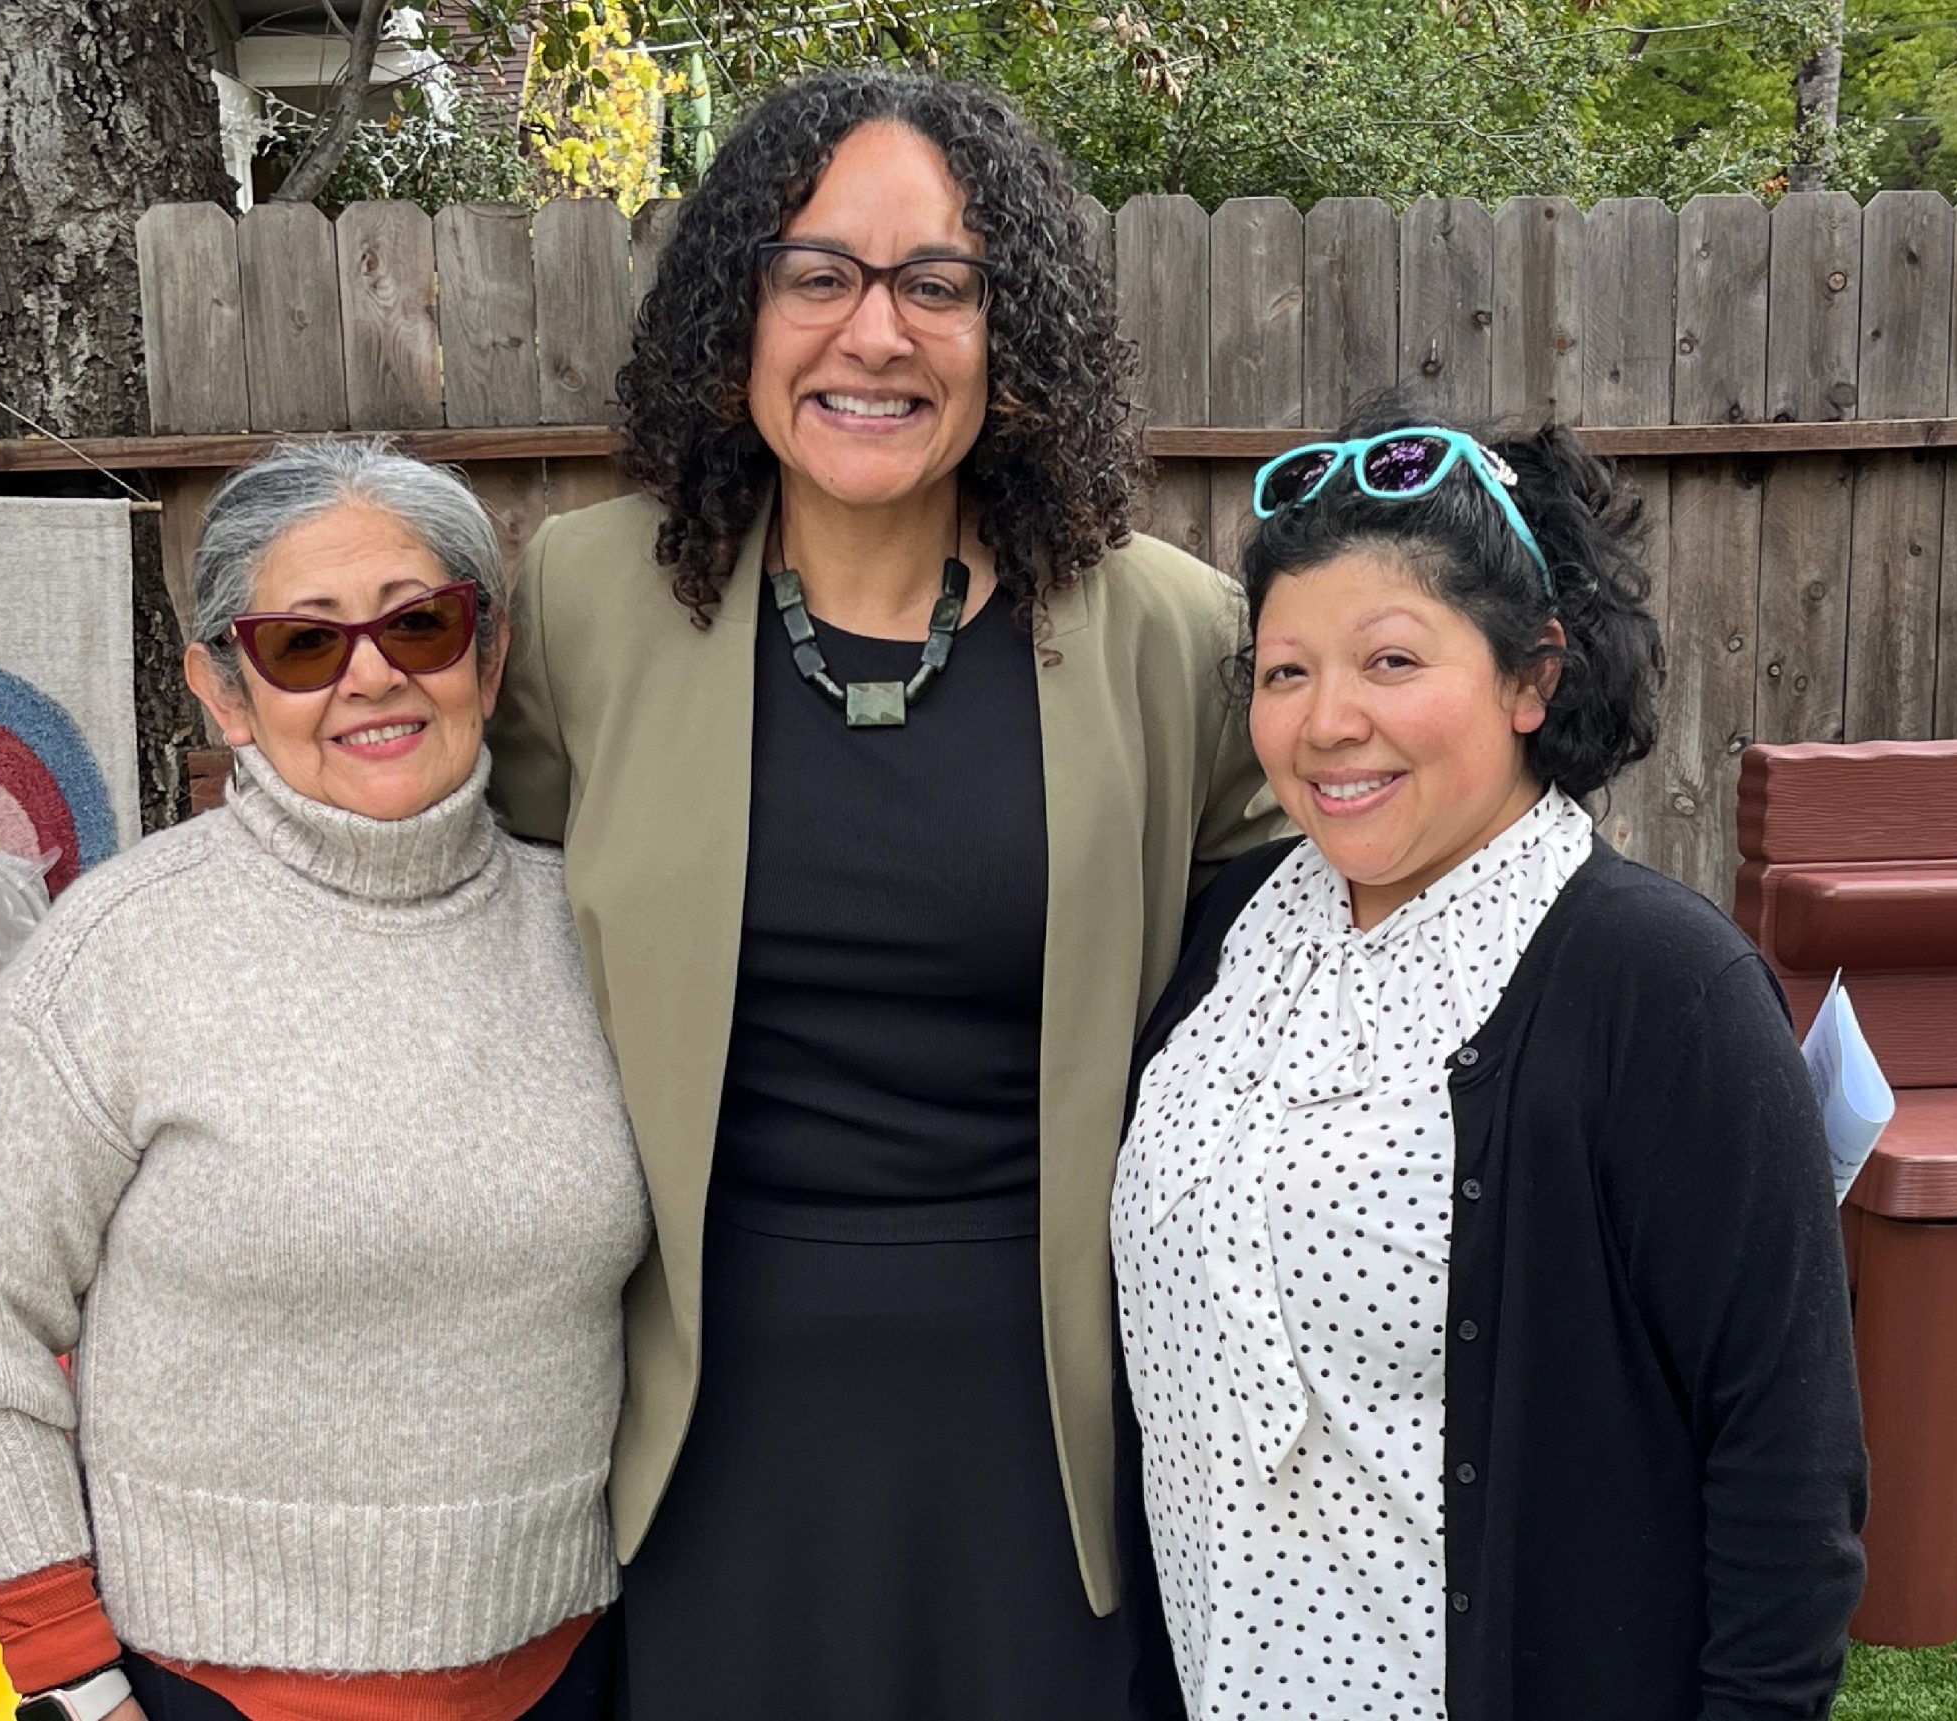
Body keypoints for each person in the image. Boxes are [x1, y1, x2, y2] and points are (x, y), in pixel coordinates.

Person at [487, 68, 1284, 1721]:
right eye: (818, 274)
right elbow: (481, 928)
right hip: (698, 1400)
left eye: (940, 283)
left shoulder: (1175, 637)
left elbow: (1313, 969)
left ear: (1017, 331)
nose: (877, 333)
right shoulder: (584, 602)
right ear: (738, 312)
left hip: (1047, 1398)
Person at [1113, 403, 1869, 1721]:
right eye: (1285, 671)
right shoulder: (1226, 938)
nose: (1329, 718)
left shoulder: (1661, 993)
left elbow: (1786, 1470)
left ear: (1534, 676)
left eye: (1391, 658)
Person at [0, 442, 648, 1721]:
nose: (372, 676)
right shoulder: (111, 958)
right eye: (303, 644)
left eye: (421, 624)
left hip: (571, 1672)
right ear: (225, 690)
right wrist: (70, 1681)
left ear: (491, 651)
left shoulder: (600, 932)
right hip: (196, 1687)